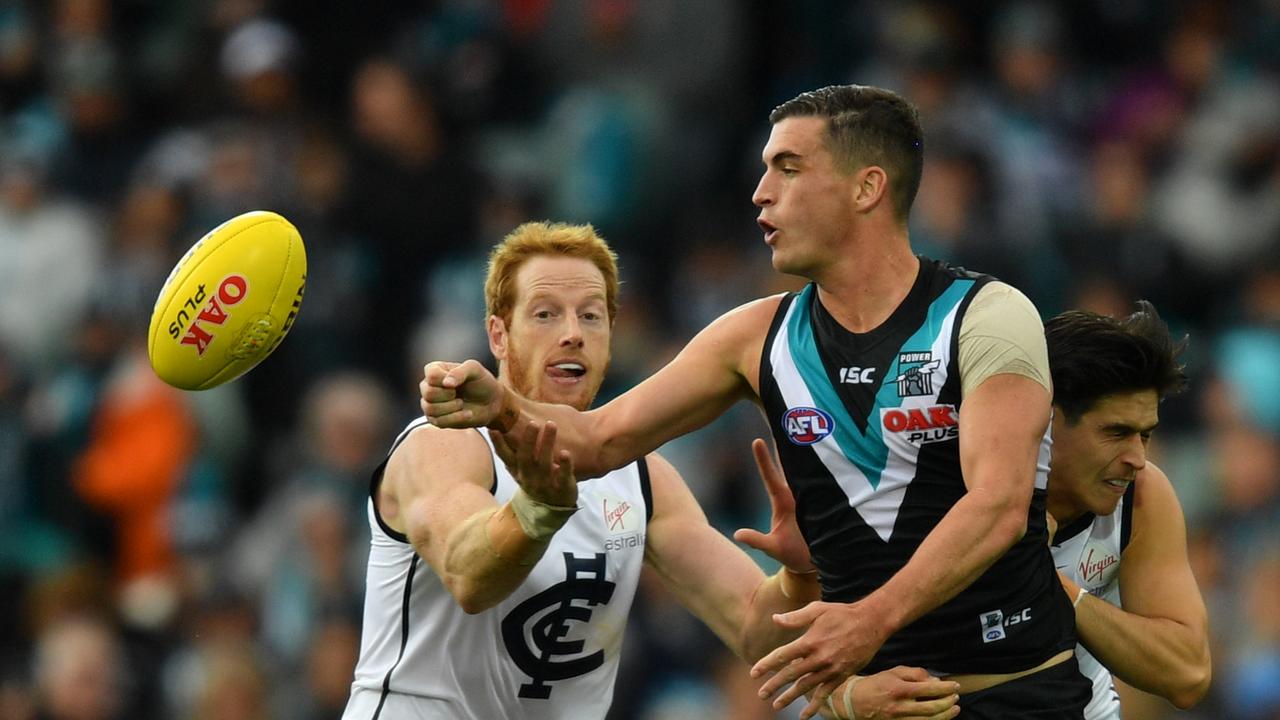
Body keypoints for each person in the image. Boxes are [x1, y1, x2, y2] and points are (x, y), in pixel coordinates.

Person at [422, 85, 1091, 719]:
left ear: (867, 188)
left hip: (1015, 694)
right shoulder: (754, 336)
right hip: (868, 704)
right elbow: (594, 442)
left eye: (789, 169)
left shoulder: (987, 317)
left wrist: (868, 620)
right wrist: (502, 405)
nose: (760, 193)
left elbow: (999, 506)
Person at [343, 221, 962, 720]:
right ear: (498, 336)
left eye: (591, 316)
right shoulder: (445, 444)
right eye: (545, 314)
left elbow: (755, 631)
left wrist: (801, 570)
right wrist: (539, 507)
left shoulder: (642, 479)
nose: (572, 335)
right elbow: (468, 575)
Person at [1044, 302, 1211, 718]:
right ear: (1044, 419)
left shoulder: (1144, 495)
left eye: (1146, 434)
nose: (1137, 457)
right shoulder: (952, 487)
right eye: (1116, 432)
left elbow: (1187, 672)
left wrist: (1053, 587)